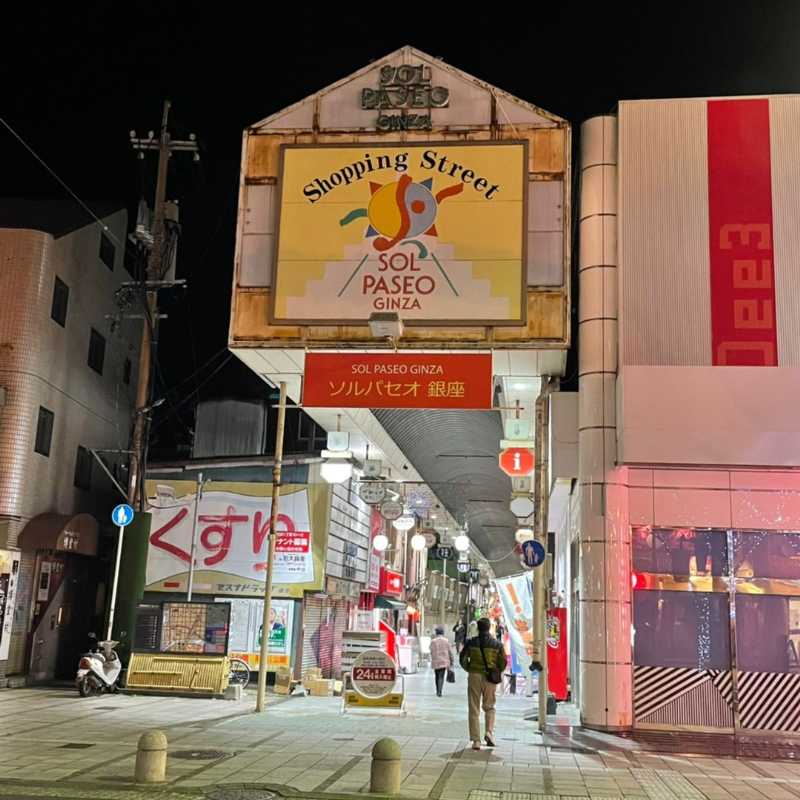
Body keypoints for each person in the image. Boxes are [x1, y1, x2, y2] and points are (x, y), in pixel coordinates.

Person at [459, 617, 506, 750]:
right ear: (489, 627)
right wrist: (495, 671)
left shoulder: (471, 642)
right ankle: (489, 733)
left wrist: (470, 669)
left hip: (474, 676)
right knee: (489, 706)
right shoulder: (497, 644)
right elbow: (503, 662)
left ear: (478, 628)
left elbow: (462, 659)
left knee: (474, 708)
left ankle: (476, 741)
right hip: (490, 678)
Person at [429, 626, 453, 697]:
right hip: (444, 661)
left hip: (436, 660)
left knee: (436, 675)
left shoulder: (433, 641)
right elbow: (450, 651)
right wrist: (452, 660)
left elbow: (431, 650)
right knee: (441, 676)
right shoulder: (446, 641)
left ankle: (437, 690)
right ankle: (439, 691)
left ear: (436, 633)